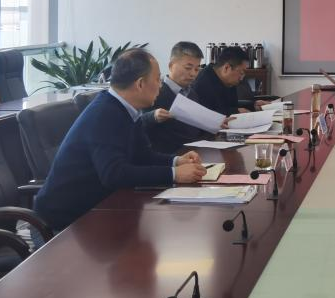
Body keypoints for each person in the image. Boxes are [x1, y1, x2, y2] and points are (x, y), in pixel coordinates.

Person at [34, 49, 206, 232]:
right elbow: (113, 174)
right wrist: (174, 174)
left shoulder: (126, 109)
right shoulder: (105, 114)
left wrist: (176, 161)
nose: (160, 86)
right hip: (63, 223)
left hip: (97, 210)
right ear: (140, 84)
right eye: (157, 79)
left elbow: (143, 155)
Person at [141, 41, 228, 153]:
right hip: (169, 156)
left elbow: (195, 128)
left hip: (194, 151)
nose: (193, 74)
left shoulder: (192, 93)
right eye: (188, 68)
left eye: (197, 69)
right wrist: (153, 116)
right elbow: (137, 124)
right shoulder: (155, 91)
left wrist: (216, 123)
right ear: (171, 65)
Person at [188, 45, 252, 116]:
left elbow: (231, 105)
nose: (242, 78)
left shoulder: (228, 80)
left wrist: (253, 105)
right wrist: (235, 111)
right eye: (241, 73)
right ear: (226, 68)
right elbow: (204, 115)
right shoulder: (202, 84)